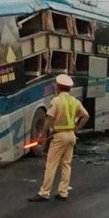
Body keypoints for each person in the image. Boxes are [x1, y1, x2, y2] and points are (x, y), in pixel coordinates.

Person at [28, 74, 90, 202]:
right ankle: (63, 192)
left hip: (59, 136)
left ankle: (44, 192)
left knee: (51, 164)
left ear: (58, 87)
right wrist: (76, 129)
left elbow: (49, 119)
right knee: (66, 164)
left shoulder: (55, 101)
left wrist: (41, 135)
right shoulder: (75, 101)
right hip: (71, 136)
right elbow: (86, 116)